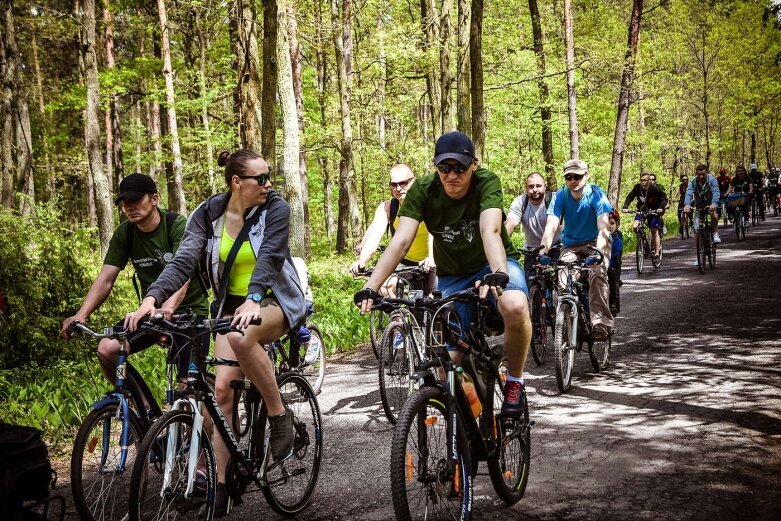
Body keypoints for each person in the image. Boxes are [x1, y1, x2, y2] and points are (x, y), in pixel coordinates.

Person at [125, 150, 308, 516]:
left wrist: (254, 298)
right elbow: (183, 260)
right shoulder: (208, 214)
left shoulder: (276, 209)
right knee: (222, 390)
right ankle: (221, 484)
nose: (268, 184)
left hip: (274, 300)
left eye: (269, 177)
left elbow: (271, 256)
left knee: (243, 337)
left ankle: (278, 414)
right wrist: (152, 298)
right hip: (229, 308)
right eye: (261, 178)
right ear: (237, 182)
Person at [354, 131, 532, 416]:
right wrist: (372, 287)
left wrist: (498, 273)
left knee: (515, 305)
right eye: (444, 168)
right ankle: (471, 427)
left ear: (473, 164)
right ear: (435, 166)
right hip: (452, 276)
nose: (452, 175)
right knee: (444, 367)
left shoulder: (487, 182)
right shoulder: (423, 190)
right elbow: (400, 242)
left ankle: (514, 381)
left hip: (493, 264)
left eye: (460, 167)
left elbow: (491, 231)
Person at [61, 173, 210, 386]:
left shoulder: (176, 225)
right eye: (125, 202)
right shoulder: (125, 233)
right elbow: (106, 278)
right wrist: (82, 314)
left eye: (136, 200)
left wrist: (167, 308)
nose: (129, 206)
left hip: (190, 313)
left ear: (154, 199)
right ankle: (144, 410)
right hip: (151, 311)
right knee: (107, 349)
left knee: (188, 389)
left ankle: (201, 418)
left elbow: (183, 273)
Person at [540, 159, 614, 341]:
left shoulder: (596, 195)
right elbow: (551, 226)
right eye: (569, 177)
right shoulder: (560, 196)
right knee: (564, 278)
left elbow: (603, 228)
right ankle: (567, 321)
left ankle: (601, 323)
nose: (573, 181)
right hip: (571, 246)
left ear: (586, 176)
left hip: (595, 243)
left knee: (597, 274)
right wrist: (543, 251)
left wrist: (599, 253)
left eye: (577, 176)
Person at [350, 164, 435, 296]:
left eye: (403, 183)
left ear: (414, 181)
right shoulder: (388, 207)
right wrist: (361, 261)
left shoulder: (427, 202)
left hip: (431, 260)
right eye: (394, 185)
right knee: (386, 286)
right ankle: (397, 316)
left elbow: (432, 232)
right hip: (405, 262)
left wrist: (431, 257)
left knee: (433, 302)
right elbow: (374, 236)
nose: (398, 188)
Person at [505, 171, 559, 278]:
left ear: (545, 186)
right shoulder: (520, 202)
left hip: (555, 248)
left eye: (538, 186)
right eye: (531, 186)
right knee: (531, 285)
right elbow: (511, 224)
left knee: (559, 283)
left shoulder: (555, 199)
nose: (535, 189)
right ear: (526, 188)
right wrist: (500, 243)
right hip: (532, 251)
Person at [621, 172, 668, 260]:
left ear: (649, 181)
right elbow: (630, 197)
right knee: (635, 227)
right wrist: (625, 207)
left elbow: (664, 198)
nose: (643, 182)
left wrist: (661, 208)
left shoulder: (654, 189)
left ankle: (657, 252)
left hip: (653, 211)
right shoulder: (637, 188)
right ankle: (643, 242)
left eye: (645, 180)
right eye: (642, 180)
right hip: (641, 210)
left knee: (654, 230)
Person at [684, 164, 721, 243]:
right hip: (699, 205)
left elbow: (716, 192)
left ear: (707, 173)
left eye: (703, 174)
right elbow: (688, 193)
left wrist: (714, 203)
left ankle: (715, 233)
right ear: (696, 174)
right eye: (699, 174)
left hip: (710, 204)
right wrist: (687, 205)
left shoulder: (712, 180)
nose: (701, 176)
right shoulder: (693, 182)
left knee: (714, 214)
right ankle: (701, 246)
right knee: (697, 228)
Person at [607, 209, 623, 316]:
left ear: (617, 225)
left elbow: (614, 256)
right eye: (607, 223)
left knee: (612, 274)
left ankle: (613, 301)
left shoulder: (617, 240)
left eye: (612, 223)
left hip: (612, 266)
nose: (609, 226)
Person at [676, 174, 690, 238]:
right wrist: (675, 199)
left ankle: (690, 223)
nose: (685, 181)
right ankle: (681, 225)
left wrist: (693, 200)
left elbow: (693, 194)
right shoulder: (681, 186)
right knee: (679, 212)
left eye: (686, 180)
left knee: (690, 212)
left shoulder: (690, 186)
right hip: (682, 199)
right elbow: (679, 194)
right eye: (683, 180)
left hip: (690, 200)